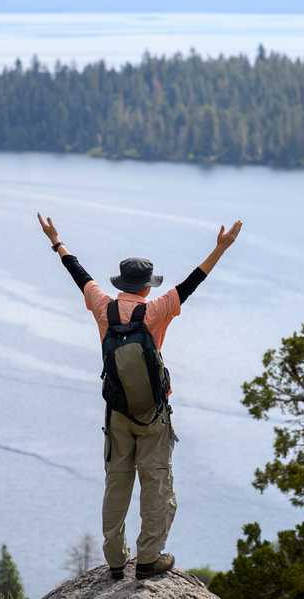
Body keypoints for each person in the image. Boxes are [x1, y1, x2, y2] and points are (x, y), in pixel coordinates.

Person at [37, 212, 242, 580]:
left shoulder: (103, 305)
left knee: (117, 481)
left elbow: (77, 273)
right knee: (156, 481)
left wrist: (57, 241)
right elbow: (192, 282)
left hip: (117, 414)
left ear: (121, 283)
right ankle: (149, 558)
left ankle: (116, 560)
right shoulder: (156, 310)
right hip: (153, 416)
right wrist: (220, 248)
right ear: (147, 286)